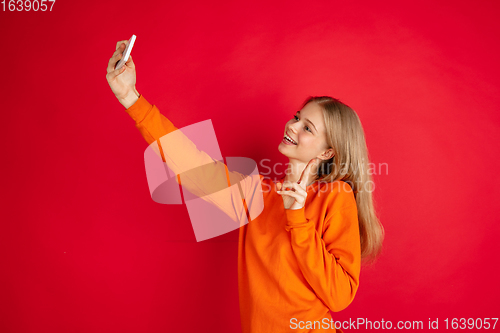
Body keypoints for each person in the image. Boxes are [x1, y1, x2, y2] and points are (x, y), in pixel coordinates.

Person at [106, 40, 384, 333]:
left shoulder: (335, 197)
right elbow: (191, 164)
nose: (292, 126)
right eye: (296, 118)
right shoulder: (257, 194)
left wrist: (298, 219)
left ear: (328, 152)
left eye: (307, 128)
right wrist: (130, 98)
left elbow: (339, 297)